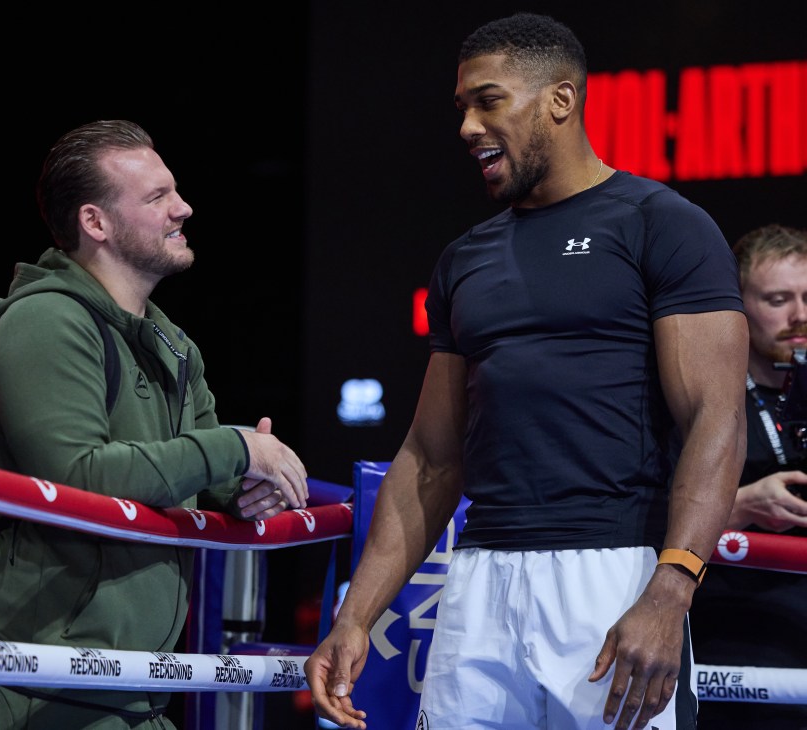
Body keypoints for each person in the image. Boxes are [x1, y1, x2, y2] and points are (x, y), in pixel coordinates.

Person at [304, 12, 748, 730]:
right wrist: (356, 616)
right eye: (461, 108)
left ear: (559, 102)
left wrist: (670, 591)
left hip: (612, 576)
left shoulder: (661, 225)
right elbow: (430, 457)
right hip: (479, 581)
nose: (468, 127)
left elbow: (715, 418)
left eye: (488, 100)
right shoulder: (464, 259)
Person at [0, 119, 309, 729]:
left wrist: (251, 490)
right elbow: (76, 477)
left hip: (134, 691)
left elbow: (209, 482)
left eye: (176, 190)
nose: (183, 207)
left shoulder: (174, 345)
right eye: (157, 196)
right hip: (41, 689)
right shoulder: (46, 322)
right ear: (96, 223)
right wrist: (235, 447)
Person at [688, 223, 807, 729]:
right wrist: (741, 503)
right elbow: (642, 519)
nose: (799, 316)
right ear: (738, 305)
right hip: (732, 649)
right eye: (778, 299)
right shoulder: (699, 397)